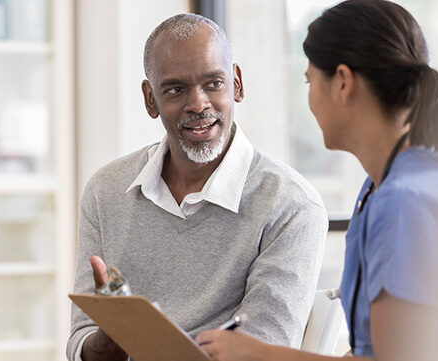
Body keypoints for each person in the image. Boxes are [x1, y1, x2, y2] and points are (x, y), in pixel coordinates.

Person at [196, 1, 438, 360]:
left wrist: (258, 355)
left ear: (343, 82)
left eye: (310, 80)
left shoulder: (404, 203)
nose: (308, 97)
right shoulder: (388, 186)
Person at [66, 14, 328, 361]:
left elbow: (266, 348)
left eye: (213, 83)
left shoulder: (291, 205)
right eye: (175, 89)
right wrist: (105, 342)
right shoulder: (107, 190)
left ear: (236, 83)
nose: (198, 104)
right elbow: (80, 340)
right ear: (150, 99)